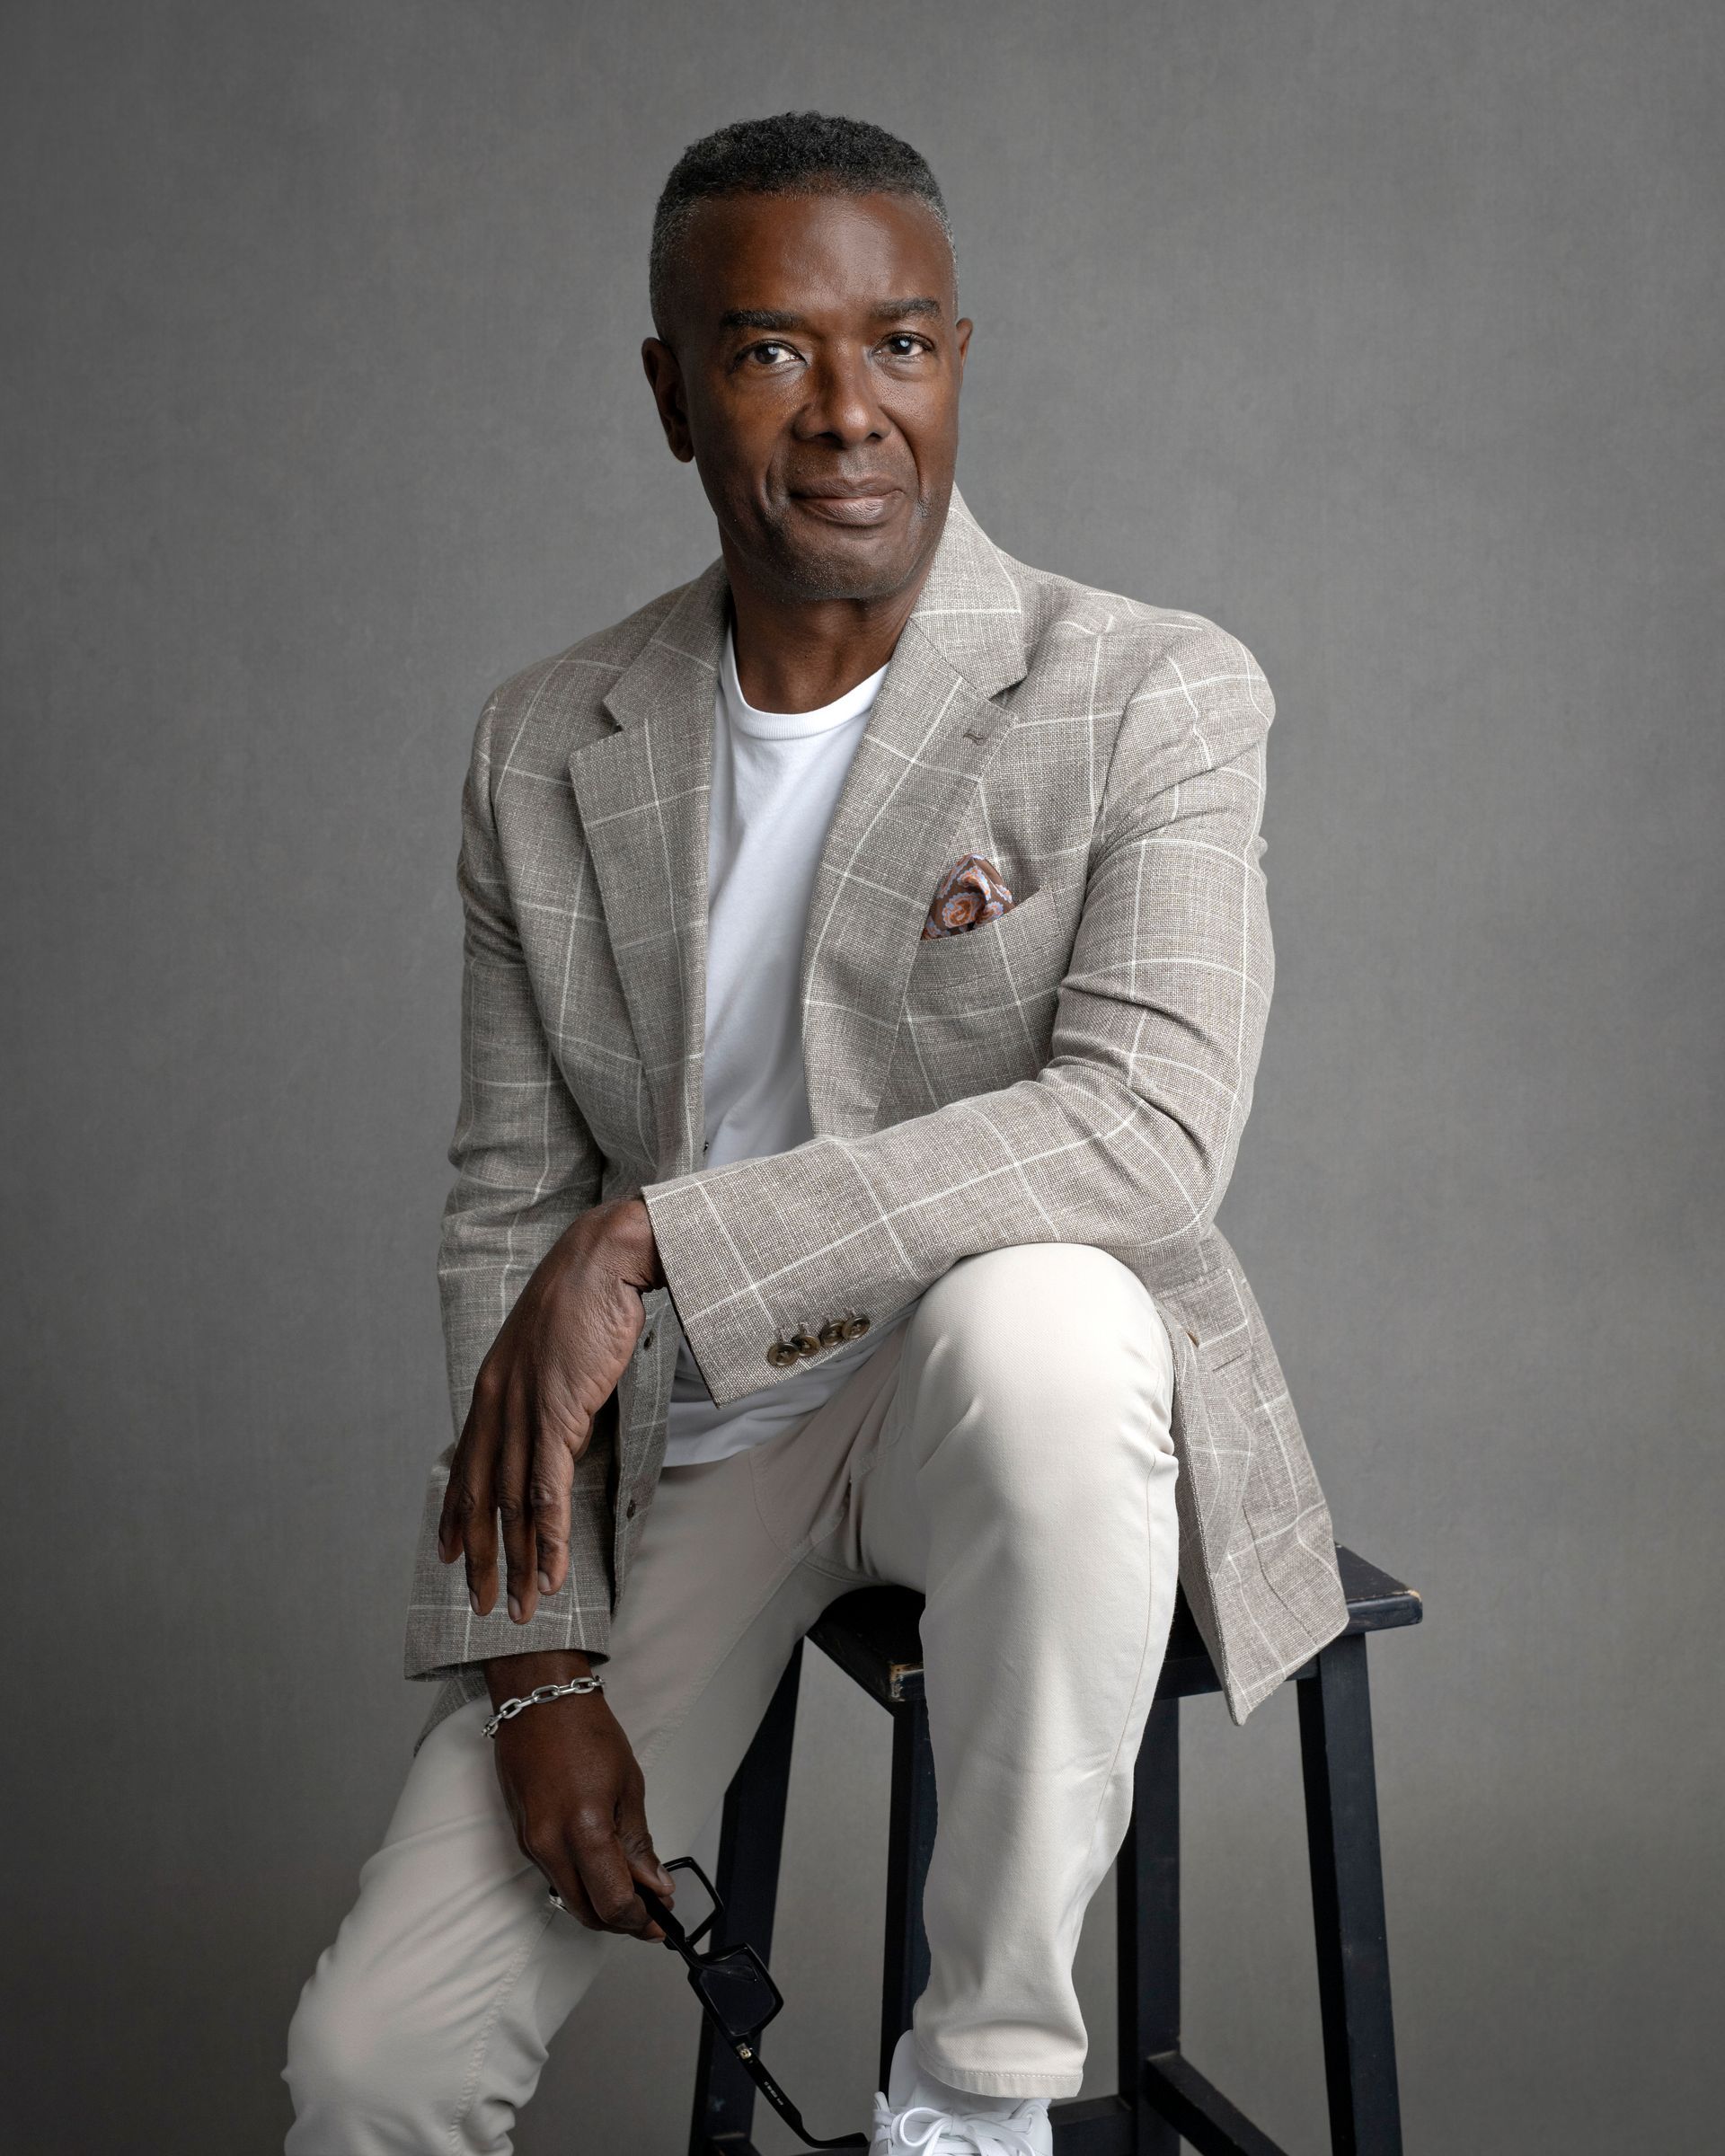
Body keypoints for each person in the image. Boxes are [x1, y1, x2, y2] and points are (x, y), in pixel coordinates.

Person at [283, 110, 1349, 2156]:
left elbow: (1143, 1134)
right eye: (775, 353)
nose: (853, 415)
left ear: (961, 364)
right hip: (707, 1452)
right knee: (371, 2072)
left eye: (907, 346)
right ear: (673, 389)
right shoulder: (546, 741)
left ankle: (979, 2095)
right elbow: (509, 1212)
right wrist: (535, 1670)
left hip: (1019, 1424)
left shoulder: (1145, 690)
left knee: (1046, 1308)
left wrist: (662, 1237)